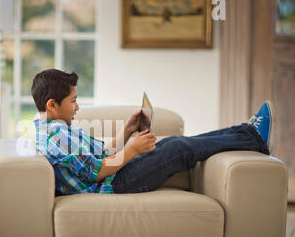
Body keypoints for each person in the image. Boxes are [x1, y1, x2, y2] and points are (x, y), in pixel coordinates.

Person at [32, 69, 274, 195]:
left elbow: (100, 153)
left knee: (176, 143)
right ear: (52, 104)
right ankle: (251, 136)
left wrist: (128, 131)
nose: (78, 107)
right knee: (178, 148)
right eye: (73, 101)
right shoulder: (56, 137)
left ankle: (247, 132)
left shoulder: (57, 129)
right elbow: (95, 171)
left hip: (114, 175)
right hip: (115, 184)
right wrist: (131, 151)